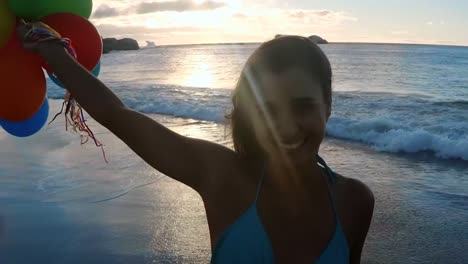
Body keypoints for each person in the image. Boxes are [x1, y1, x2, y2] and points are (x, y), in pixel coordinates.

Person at [17, 23, 374, 263]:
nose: (286, 127)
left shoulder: (355, 201)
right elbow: (117, 114)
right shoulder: (222, 176)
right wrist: (53, 52)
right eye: (268, 110)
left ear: (328, 105)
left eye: (303, 106)